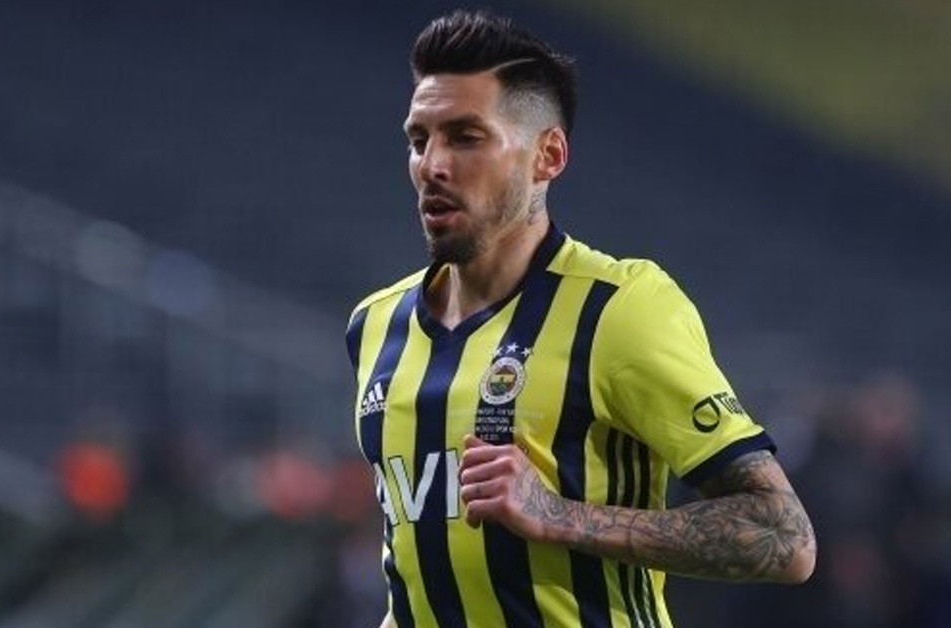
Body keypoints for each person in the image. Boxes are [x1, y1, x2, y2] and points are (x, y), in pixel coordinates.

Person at [344, 9, 816, 627]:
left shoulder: (618, 309)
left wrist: (559, 515)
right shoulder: (376, 326)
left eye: (466, 137)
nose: (432, 164)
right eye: (419, 140)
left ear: (548, 155)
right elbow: (420, 573)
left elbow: (784, 536)